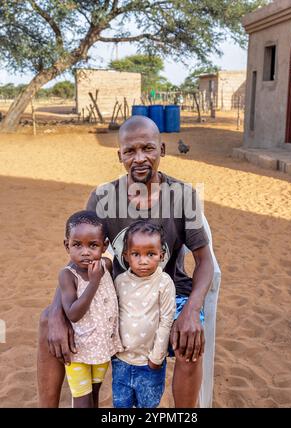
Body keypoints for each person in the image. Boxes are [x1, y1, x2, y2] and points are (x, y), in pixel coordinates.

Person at [37, 115, 214, 408]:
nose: (140, 158)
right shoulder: (103, 197)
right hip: (112, 295)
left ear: (163, 149)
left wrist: (193, 309)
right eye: (130, 151)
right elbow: (82, 260)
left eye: (148, 148)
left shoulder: (184, 195)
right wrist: (58, 310)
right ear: (120, 155)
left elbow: (204, 261)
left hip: (168, 293)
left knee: (190, 339)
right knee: (48, 323)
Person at [58, 210, 123, 408]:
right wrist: (94, 283)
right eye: (77, 245)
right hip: (79, 351)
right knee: (82, 400)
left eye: (93, 245)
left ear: (104, 246)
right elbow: (73, 314)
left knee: (95, 395)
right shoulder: (68, 276)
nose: (85, 252)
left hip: (102, 347)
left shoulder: (107, 264)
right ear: (67, 245)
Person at [112, 220, 176, 408]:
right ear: (126, 256)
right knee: (121, 406)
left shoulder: (164, 283)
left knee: (148, 406)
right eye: (135, 254)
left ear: (161, 255)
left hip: (149, 365)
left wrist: (156, 358)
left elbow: (166, 321)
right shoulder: (120, 281)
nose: (143, 260)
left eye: (151, 254)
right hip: (121, 361)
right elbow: (114, 315)